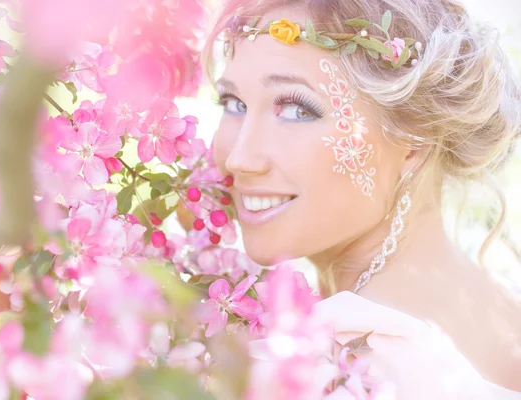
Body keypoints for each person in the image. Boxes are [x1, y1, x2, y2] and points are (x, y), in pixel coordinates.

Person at [204, 0, 521, 397]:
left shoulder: (320, 375)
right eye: (234, 104)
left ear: (413, 142)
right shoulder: (505, 307)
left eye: (297, 110)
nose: (239, 159)